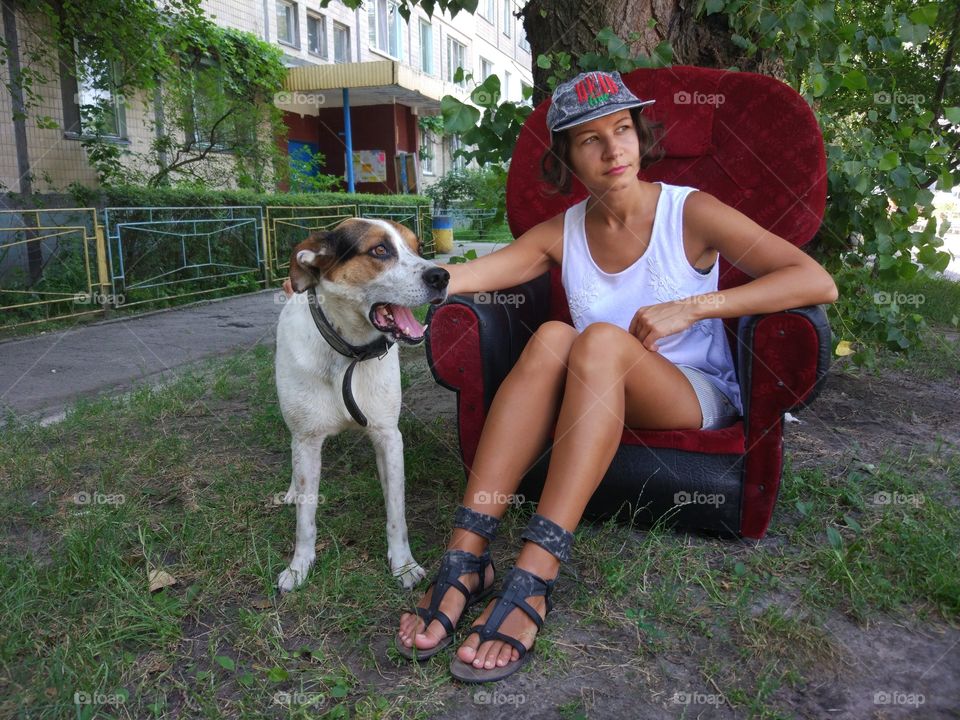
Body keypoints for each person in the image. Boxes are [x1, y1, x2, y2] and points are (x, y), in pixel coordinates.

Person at [286, 70, 838, 682]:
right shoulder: (563, 231)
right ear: (567, 159)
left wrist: (696, 305)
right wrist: (330, 272)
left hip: (690, 393)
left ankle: (539, 565)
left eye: (623, 130)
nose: (613, 150)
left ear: (640, 136)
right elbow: (457, 277)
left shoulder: (692, 212)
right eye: (591, 139)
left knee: (597, 339)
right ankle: (466, 556)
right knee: (554, 337)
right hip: (595, 388)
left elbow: (814, 279)